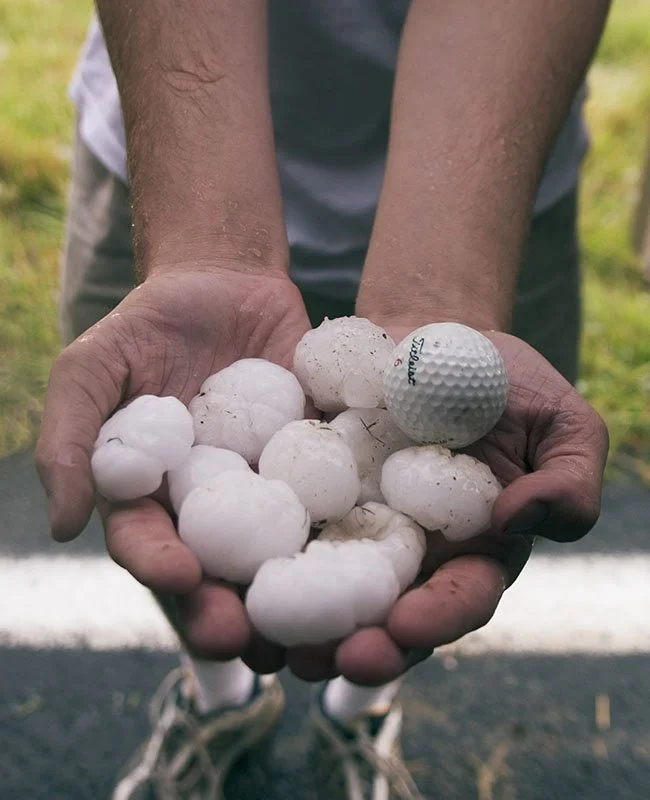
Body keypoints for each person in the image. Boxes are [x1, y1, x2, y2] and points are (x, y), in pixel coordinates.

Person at [36, 2, 611, 798]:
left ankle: (363, 710)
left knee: (412, 585)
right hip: (169, 130)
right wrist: (205, 244)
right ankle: (220, 700)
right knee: (172, 542)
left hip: (496, 154)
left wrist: (446, 285)